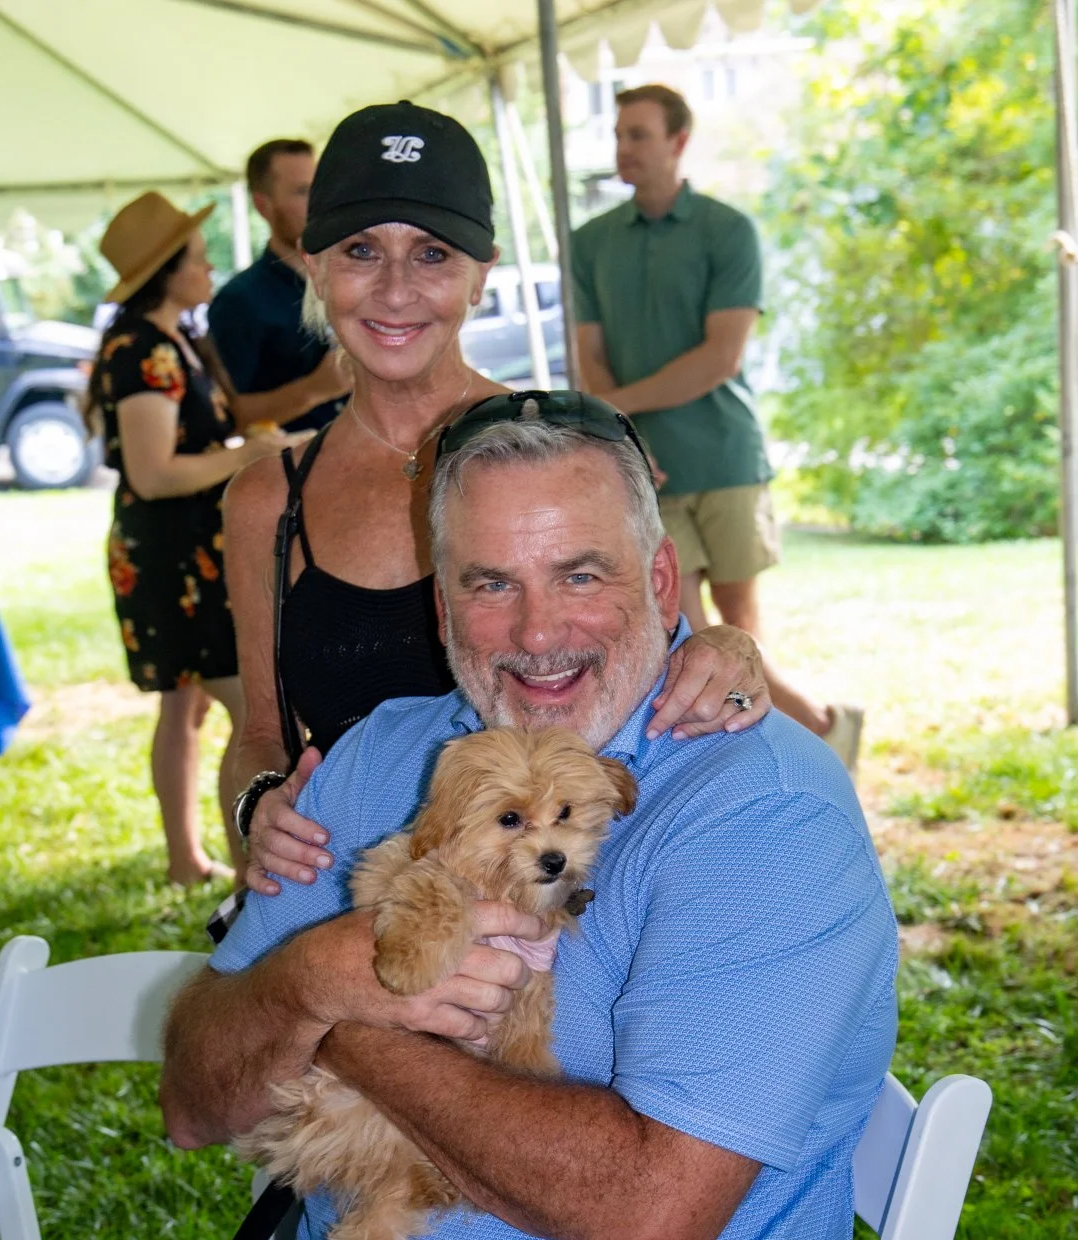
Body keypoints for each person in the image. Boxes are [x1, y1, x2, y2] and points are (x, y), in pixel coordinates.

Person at [94, 389, 899, 1240]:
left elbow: (650, 1218)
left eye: (578, 574)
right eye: (487, 583)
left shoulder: (756, 812)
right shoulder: (379, 759)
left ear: (657, 576)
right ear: (437, 600)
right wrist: (306, 981)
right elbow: (195, 1099)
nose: (534, 633)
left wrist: (347, 1025)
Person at [221, 100, 772, 906]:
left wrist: (731, 653)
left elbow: (663, 626)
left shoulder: (564, 453)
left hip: (560, 890)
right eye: (362, 250)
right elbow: (262, 735)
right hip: (362, 898)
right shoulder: (269, 499)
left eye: (434, 254)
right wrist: (254, 807)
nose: (396, 289)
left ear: (483, 274)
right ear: (315, 265)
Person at [573, 83, 865, 773]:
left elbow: (719, 357)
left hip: (725, 455)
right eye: (618, 134)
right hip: (645, 469)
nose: (623, 148)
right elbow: (588, 358)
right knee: (684, 632)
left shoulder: (728, 230)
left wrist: (618, 408)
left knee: (738, 630)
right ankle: (822, 730)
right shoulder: (588, 243)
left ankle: (777, 755)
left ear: (678, 142)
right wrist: (624, 436)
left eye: (638, 134)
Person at [86, 192, 287, 885]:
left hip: (192, 549)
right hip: (175, 559)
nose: (209, 271)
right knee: (244, 707)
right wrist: (245, 457)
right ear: (166, 271)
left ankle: (187, 859)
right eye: (198, 260)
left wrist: (246, 444)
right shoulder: (140, 348)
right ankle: (246, 869)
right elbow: (153, 471)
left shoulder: (171, 339)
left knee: (188, 705)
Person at [206, 139, 351, 434]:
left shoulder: (352, 278)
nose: (318, 202)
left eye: (320, 188)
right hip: (289, 473)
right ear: (264, 206)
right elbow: (223, 419)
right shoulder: (239, 302)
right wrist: (314, 390)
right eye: (302, 192)